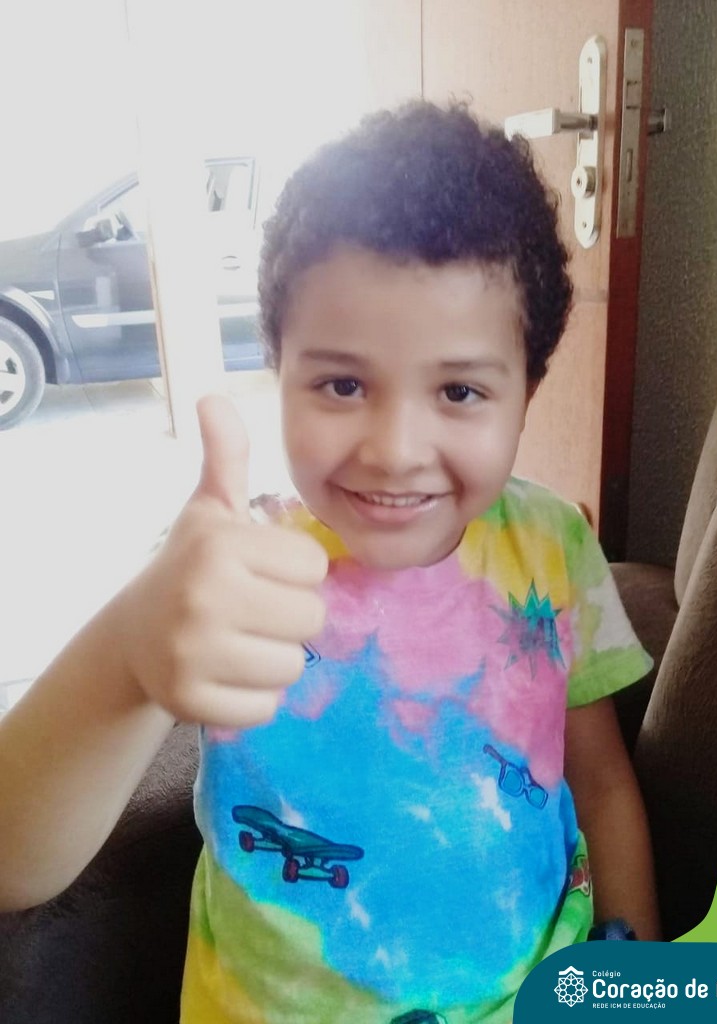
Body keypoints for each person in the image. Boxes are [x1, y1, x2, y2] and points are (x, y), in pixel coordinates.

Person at [0, 102, 659, 1022]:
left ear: (526, 390)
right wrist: (128, 654)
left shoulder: (554, 545)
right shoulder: (232, 568)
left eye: (459, 390)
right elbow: (15, 863)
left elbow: (602, 780)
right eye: (342, 384)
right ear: (278, 366)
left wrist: (637, 976)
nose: (394, 450)